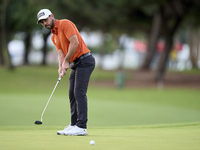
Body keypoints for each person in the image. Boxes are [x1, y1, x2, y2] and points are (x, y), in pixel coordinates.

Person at [37, 9, 95, 136]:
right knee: (72, 94)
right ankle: (74, 124)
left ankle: (81, 127)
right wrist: (61, 66)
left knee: (79, 93)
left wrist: (67, 61)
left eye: (46, 20)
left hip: (85, 61)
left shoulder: (65, 24)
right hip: (76, 63)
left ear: (52, 16)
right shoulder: (53, 36)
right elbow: (60, 54)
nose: (45, 23)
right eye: (42, 22)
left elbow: (75, 43)